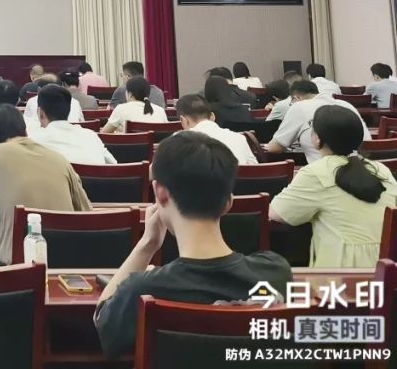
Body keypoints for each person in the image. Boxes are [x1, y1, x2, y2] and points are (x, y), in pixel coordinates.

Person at [93, 131, 292, 359]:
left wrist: (147, 244)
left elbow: (102, 321)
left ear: (160, 193)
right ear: (228, 202)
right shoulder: (276, 272)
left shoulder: (142, 290)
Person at [270, 105, 397, 267]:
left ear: (317, 139)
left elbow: (277, 213)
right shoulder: (380, 169)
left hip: (342, 271)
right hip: (387, 266)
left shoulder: (316, 173)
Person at [0, 104, 91, 265]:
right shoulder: (59, 159)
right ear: (25, 131)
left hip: (17, 271)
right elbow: (86, 213)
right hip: (67, 267)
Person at [266, 80, 370, 163]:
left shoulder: (299, 107)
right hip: (359, 169)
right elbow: (367, 141)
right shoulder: (346, 104)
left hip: (323, 173)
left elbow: (274, 148)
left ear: (296, 98)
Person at [28, 85, 116, 165]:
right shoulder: (91, 136)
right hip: (95, 177)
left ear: (40, 113)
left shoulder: (32, 141)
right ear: (69, 110)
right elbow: (113, 164)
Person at [174, 94, 256, 166]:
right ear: (212, 116)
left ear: (183, 120)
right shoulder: (239, 138)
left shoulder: (177, 141)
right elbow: (255, 171)